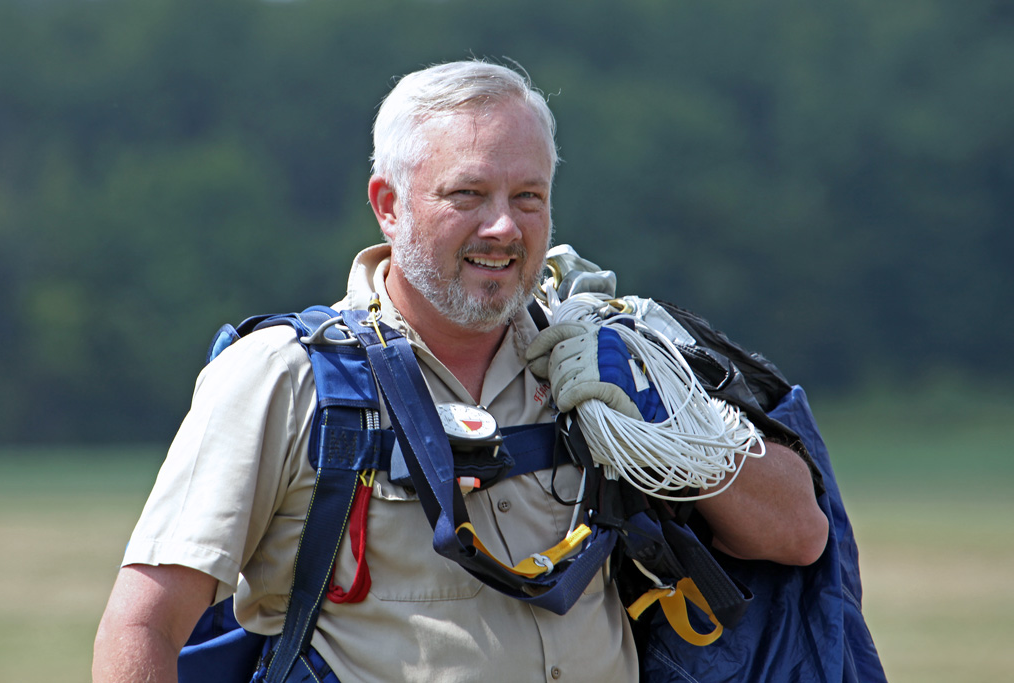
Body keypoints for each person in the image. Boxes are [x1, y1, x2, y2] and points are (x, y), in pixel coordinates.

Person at [93, 59, 828, 683]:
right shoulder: (284, 377)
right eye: (467, 194)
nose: (504, 227)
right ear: (388, 205)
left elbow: (798, 532)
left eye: (528, 197)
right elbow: (145, 624)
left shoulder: (612, 363)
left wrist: (668, 422)